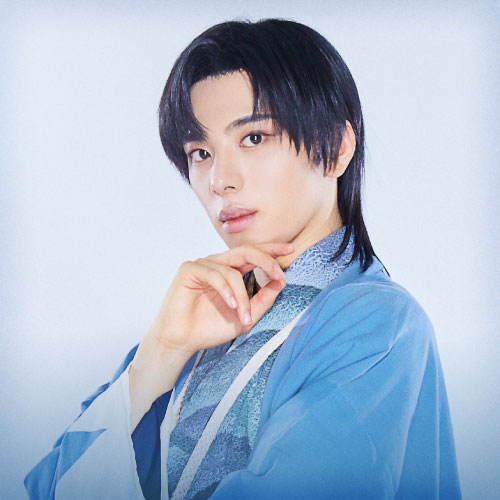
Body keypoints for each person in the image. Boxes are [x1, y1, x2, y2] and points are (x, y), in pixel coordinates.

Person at [25, 18, 461, 500]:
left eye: (253, 138)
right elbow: (47, 488)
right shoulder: (196, 327)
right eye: (200, 152)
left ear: (335, 149)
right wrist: (160, 353)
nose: (220, 180)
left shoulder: (376, 324)